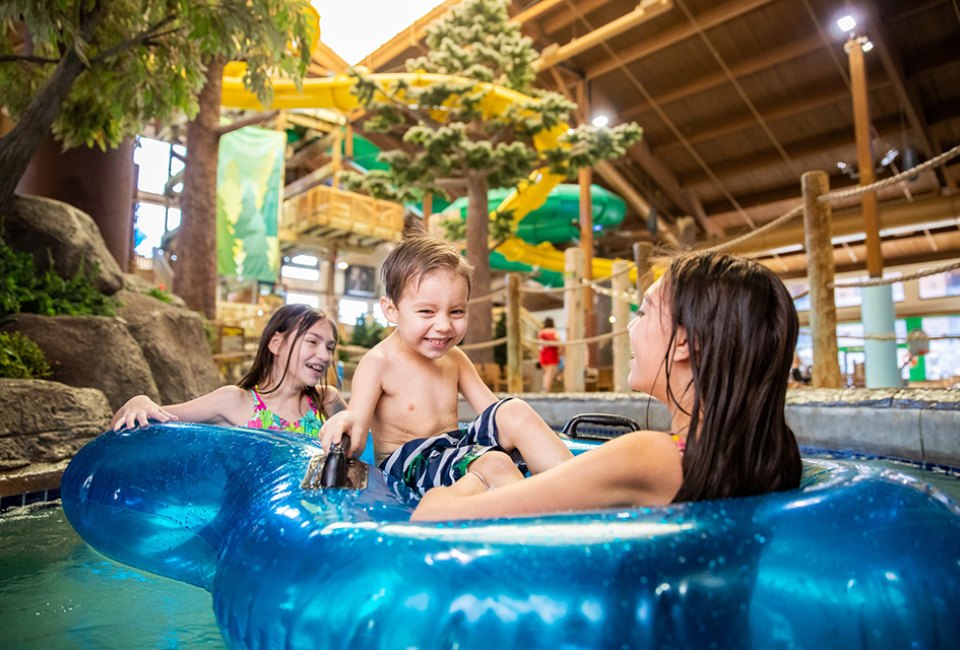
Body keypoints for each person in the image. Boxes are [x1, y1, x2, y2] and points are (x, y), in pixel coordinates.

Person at [412, 250, 803, 520]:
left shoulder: (652, 455)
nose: (632, 327)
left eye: (643, 311)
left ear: (683, 342)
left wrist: (484, 475)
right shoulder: (772, 455)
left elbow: (433, 517)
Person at [320, 236, 573, 496]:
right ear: (391, 310)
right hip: (409, 463)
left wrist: (531, 433)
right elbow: (359, 433)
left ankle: (580, 486)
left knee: (514, 410)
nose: (444, 325)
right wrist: (344, 422)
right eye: (427, 312)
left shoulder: (455, 358)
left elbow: (494, 415)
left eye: (456, 312)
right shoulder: (379, 363)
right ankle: (542, 519)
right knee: (495, 463)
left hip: (454, 449)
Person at [111, 304, 346, 435]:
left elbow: (365, 447)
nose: (324, 356)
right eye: (312, 342)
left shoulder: (327, 401)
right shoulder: (235, 401)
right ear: (276, 343)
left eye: (329, 347)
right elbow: (140, 421)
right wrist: (138, 402)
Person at [538, 317, 562, 392]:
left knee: (546, 373)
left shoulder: (541, 332)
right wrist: (560, 352)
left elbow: (540, 345)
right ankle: (546, 389)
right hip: (552, 354)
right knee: (549, 373)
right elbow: (559, 343)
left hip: (543, 354)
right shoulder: (554, 332)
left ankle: (545, 388)